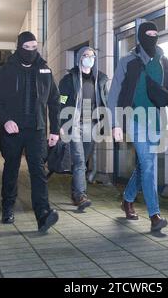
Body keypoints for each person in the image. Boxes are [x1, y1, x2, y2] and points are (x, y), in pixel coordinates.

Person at [108, 22, 168, 232]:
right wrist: (115, 124)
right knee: (149, 164)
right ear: (140, 38)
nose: (152, 37)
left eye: (155, 34)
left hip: (156, 120)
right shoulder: (127, 61)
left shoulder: (164, 62)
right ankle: (155, 215)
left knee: (144, 165)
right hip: (134, 118)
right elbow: (114, 94)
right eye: (148, 34)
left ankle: (127, 199)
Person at [0, 31, 61, 233]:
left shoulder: (45, 70)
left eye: (34, 48)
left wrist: (54, 129)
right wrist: (5, 120)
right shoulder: (8, 70)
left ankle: (43, 215)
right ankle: (8, 207)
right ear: (20, 47)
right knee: (11, 168)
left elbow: (55, 102)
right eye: (26, 48)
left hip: (36, 130)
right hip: (13, 130)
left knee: (38, 171)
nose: (30, 52)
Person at [59, 47, 109, 211]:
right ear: (79, 58)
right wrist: (60, 125)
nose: (89, 58)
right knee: (79, 160)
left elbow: (104, 101)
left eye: (92, 56)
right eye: (86, 56)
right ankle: (81, 195)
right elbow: (61, 102)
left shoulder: (100, 79)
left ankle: (75, 193)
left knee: (84, 160)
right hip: (74, 124)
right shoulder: (68, 79)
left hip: (92, 125)